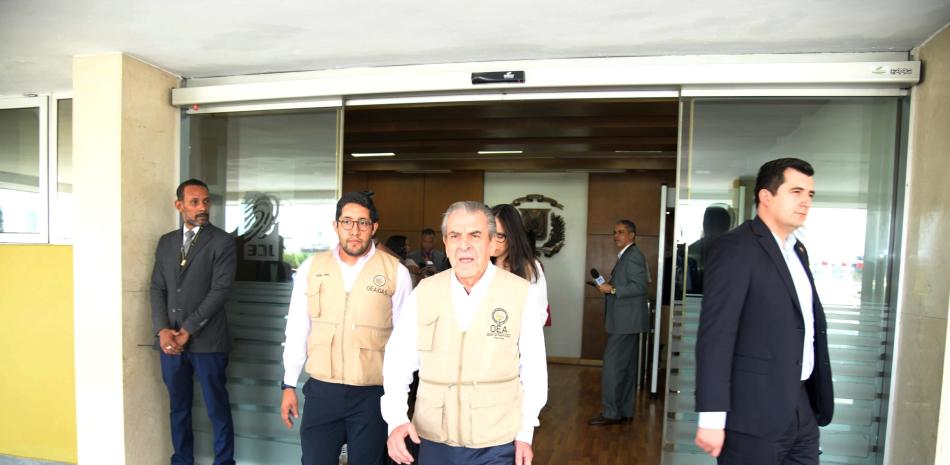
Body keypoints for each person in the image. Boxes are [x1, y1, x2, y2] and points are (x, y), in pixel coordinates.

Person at [381, 201, 548, 465]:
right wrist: (396, 419)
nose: (464, 245)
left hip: (496, 442)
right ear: (445, 244)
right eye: (455, 236)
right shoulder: (425, 292)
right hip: (433, 439)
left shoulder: (520, 293)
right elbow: (397, 362)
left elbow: (534, 370)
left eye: (475, 235)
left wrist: (525, 432)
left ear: (493, 243)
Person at [694, 158, 833, 464]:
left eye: (810, 194)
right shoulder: (736, 248)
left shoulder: (798, 250)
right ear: (766, 197)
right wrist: (712, 417)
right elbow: (716, 335)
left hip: (801, 406)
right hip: (751, 413)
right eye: (796, 191)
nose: (805, 201)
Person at [280, 192, 413, 465]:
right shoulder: (311, 268)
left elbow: (405, 343)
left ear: (374, 227)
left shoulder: (395, 273)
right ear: (336, 225)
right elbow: (297, 328)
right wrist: (289, 383)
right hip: (322, 391)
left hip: (372, 395)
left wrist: (399, 403)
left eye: (363, 223)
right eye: (347, 222)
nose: (354, 230)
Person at [149, 178, 238, 465]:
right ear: (179, 205)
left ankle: (224, 462)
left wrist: (186, 330)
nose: (202, 207)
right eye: (194, 202)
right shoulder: (166, 242)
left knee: (216, 408)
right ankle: (182, 460)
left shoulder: (222, 241)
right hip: (170, 344)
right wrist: (163, 330)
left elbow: (220, 291)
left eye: (206, 201)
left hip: (209, 341)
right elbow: (157, 288)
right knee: (179, 408)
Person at [589, 219, 650, 426]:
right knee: (625, 367)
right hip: (626, 322)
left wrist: (612, 289)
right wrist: (607, 287)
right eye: (615, 232)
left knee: (613, 367)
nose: (617, 236)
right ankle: (624, 410)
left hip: (625, 322)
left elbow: (640, 287)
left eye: (621, 232)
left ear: (632, 235)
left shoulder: (633, 256)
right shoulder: (627, 256)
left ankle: (611, 413)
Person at [490, 204, 548, 324]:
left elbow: (540, 314)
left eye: (500, 235)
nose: (493, 240)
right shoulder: (479, 263)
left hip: (516, 338)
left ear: (513, 236)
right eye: (490, 234)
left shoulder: (530, 267)